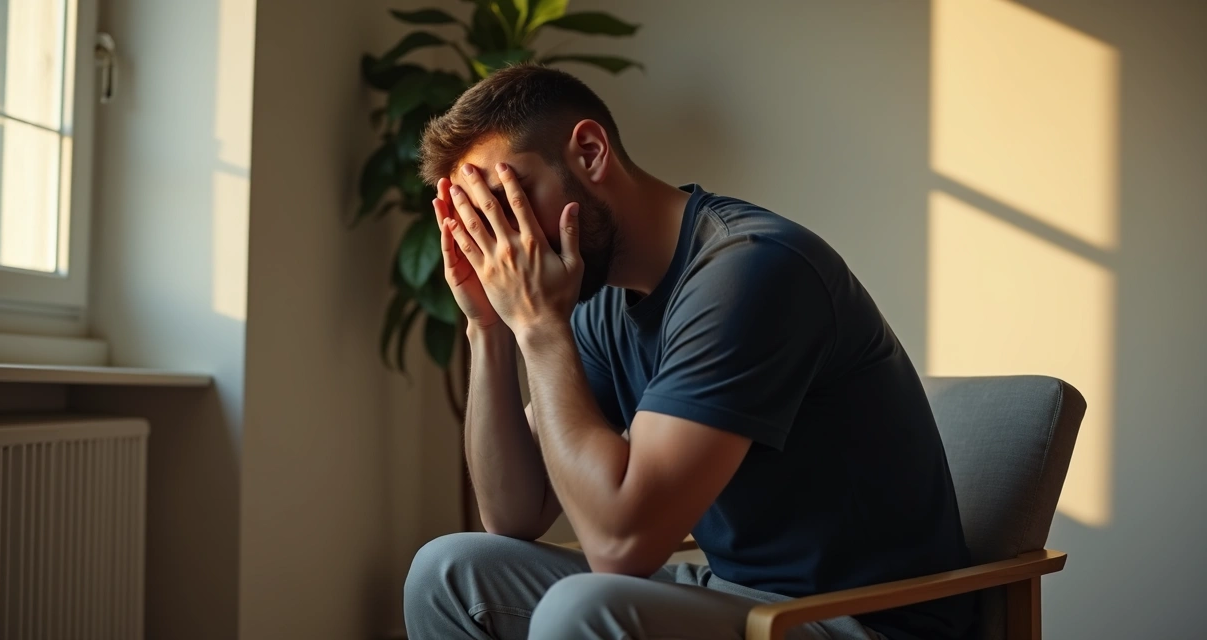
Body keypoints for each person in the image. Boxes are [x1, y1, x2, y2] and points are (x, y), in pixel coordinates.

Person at [402, 65, 975, 640]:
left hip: (862, 625)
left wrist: (540, 329)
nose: (505, 242)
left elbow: (621, 546)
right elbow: (514, 513)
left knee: (580, 608)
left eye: (509, 201)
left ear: (591, 152)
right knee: (447, 571)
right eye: (483, 221)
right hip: (739, 603)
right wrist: (489, 326)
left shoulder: (749, 271)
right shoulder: (607, 305)